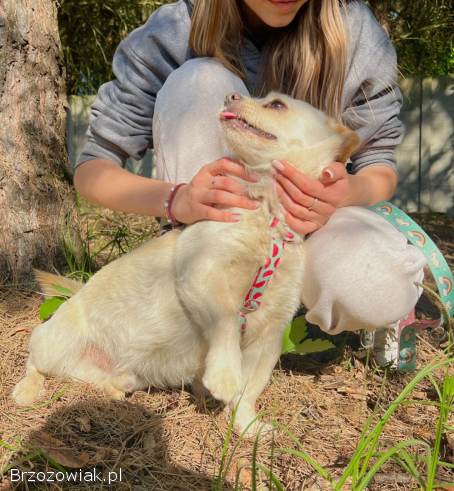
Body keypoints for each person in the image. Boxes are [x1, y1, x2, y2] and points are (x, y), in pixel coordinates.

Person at [74, 0, 426, 363]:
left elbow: (378, 166)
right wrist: (177, 199)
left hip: (311, 226)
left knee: (377, 286)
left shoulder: (352, 28)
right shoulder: (176, 29)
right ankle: (208, 308)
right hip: (223, 232)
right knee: (200, 79)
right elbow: (93, 170)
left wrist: (348, 191)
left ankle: (285, 311)